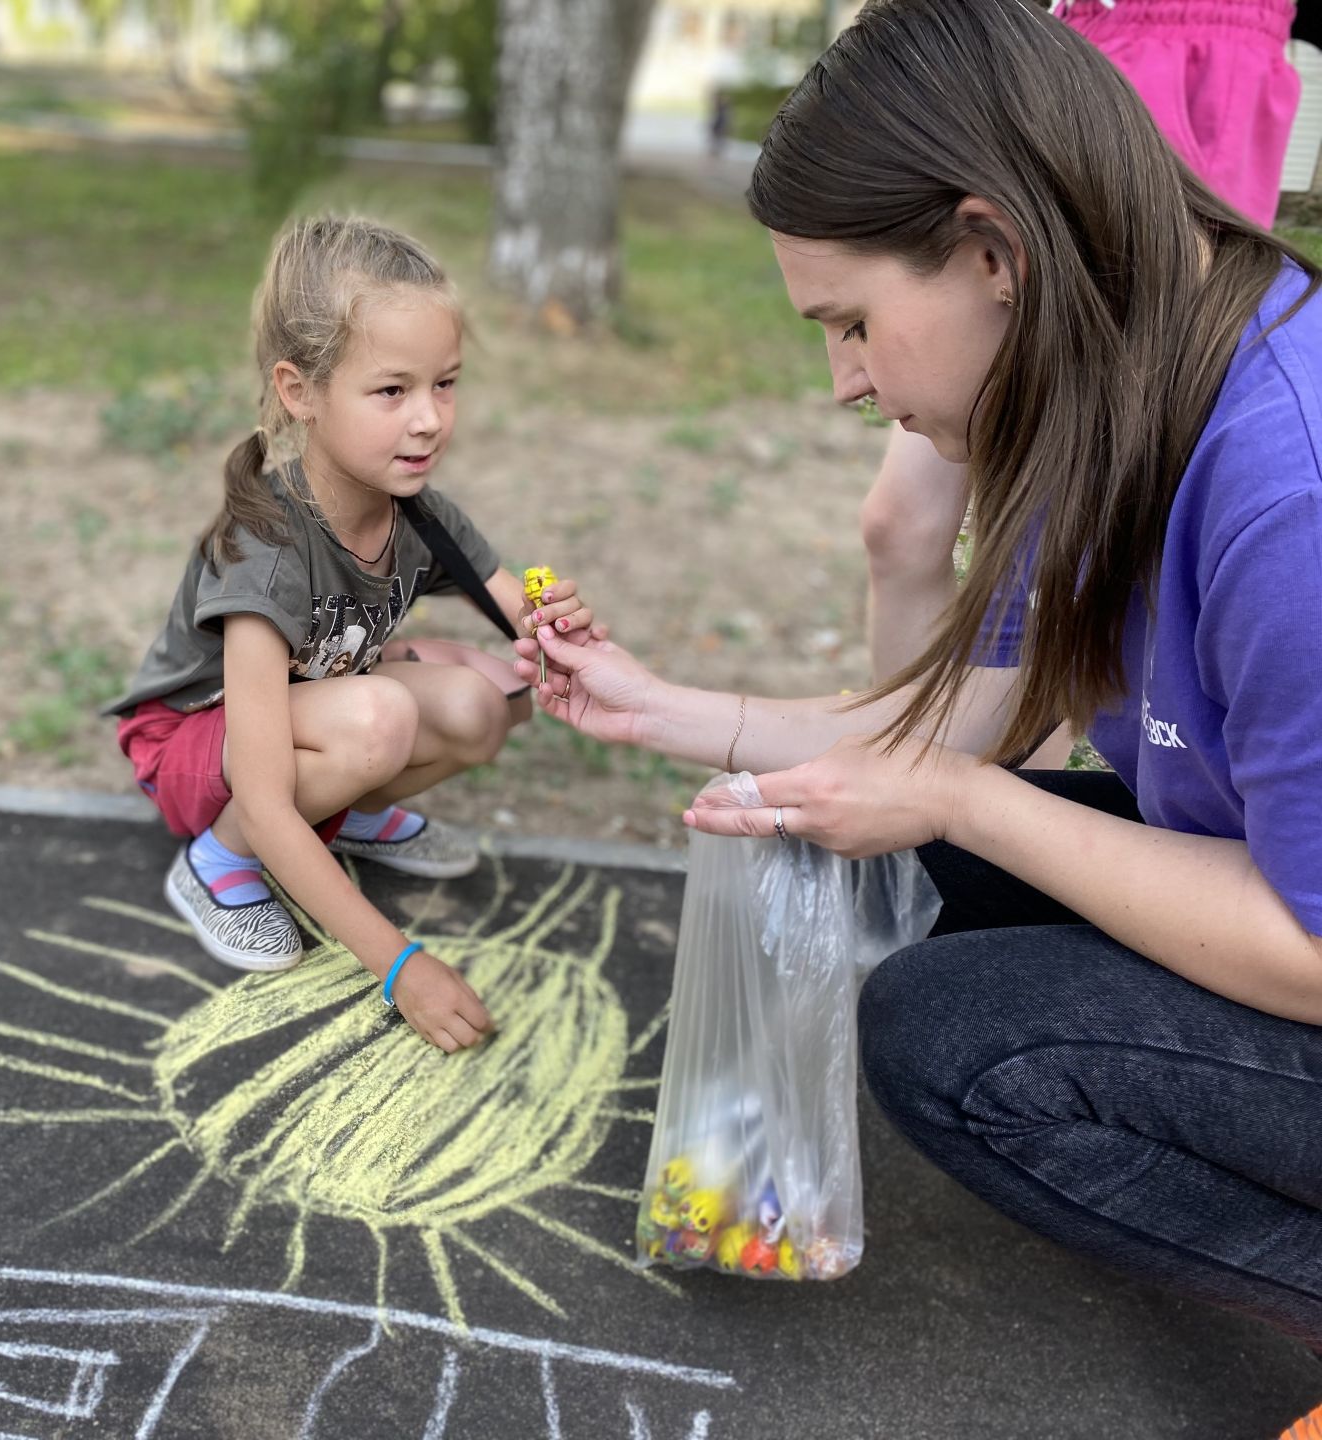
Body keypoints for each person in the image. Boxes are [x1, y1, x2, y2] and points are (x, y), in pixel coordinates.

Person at [522, 0, 1322, 1421]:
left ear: (990, 252)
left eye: (852, 324)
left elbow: (1315, 952)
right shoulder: (1113, 382)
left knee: (953, 1039)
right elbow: (965, 730)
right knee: (935, 860)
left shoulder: (1288, 490)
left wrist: (962, 799)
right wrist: (657, 708)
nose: (845, 382)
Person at [107, 215, 595, 1053]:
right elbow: (261, 789)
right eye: (391, 390)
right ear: (299, 392)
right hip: (194, 747)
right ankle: (217, 866)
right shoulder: (267, 547)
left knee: (492, 702)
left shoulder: (417, 514)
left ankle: (341, 810)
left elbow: (525, 612)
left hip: (302, 720)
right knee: (379, 720)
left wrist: (563, 632)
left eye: (446, 384)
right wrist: (399, 966)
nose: (429, 419)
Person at [858, 0, 1300, 770]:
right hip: (1046, 59)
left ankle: (989, 813)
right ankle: (937, 809)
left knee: (1088, 549)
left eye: (851, 328)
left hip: (1194, 59)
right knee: (904, 526)